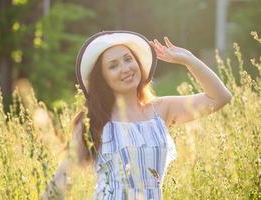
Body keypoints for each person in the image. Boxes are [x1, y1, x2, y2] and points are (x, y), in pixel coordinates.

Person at [42, 30, 232, 199]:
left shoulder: (161, 110)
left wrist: (188, 59)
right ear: (103, 79)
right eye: (113, 65)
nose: (125, 68)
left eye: (128, 59)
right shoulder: (94, 121)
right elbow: (63, 178)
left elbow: (219, 97)